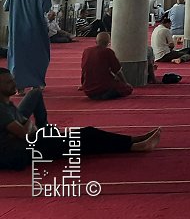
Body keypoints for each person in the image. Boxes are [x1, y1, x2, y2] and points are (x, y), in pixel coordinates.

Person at [0, 68, 161, 171]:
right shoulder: (1, 109)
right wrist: (27, 124)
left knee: (85, 135)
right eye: (8, 82)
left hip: (30, 141)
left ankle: (134, 140)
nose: (14, 83)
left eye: (13, 79)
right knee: (87, 138)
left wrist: (25, 127)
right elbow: (23, 133)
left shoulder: (7, 104)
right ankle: (133, 146)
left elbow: (21, 131)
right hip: (24, 152)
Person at [4, 0, 52, 93]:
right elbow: (47, 9)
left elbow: (5, 7)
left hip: (17, 32)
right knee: (38, 57)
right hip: (36, 31)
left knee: (18, 59)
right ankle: (36, 85)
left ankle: (19, 87)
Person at [80, 32, 134, 100]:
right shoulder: (108, 52)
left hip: (88, 90)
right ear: (108, 42)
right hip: (104, 87)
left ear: (95, 41)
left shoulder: (86, 51)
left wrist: (83, 84)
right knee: (127, 89)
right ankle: (105, 95)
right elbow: (118, 71)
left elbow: (84, 70)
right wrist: (125, 83)